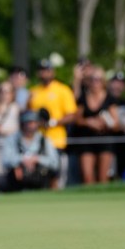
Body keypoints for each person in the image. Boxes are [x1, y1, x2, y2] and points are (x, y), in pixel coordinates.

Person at [28, 58, 77, 188]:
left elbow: (72, 115)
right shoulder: (33, 91)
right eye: (41, 70)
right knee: (38, 175)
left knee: (55, 175)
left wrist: (52, 123)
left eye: (47, 70)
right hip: (36, 141)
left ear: (52, 72)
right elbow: (29, 114)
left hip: (56, 140)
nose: (44, 73)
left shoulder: (62, 90)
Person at [71, 65, 119, 185]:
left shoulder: (109, 99)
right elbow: (76, 119)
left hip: (104, 140)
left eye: (97, 79)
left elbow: (116, 124)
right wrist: (89, 122)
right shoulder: (83, 98)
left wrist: (104, 122)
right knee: (87, 177)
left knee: (103, 177)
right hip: (86, 140)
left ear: (102, 81)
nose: (94, 82)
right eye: (91, 79)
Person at [0, 109, 60, 192]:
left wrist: (37, 159)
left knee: (53, 173)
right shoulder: (12, 139)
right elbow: (5, 160)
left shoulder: (44, 140)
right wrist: (23, 160)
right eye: (28, 123)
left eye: (33, 123)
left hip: (40, 175)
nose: (30, 126)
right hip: (20, 177)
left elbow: (54, 162)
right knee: (13, 173)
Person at [0, 79, 21, 185]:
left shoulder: (15, 108)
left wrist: (4, 131)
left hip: (11, 145)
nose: (4, 95)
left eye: (7, 92)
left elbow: (18, 128)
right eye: (1, 91)